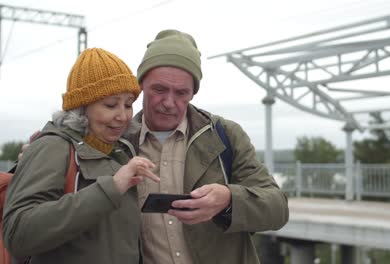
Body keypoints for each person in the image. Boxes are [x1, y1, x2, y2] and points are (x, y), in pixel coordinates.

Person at [128, 29, 289, 264]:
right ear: (141, 84)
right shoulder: (119, 145)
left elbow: (277, 209)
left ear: (193, 93)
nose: (169, 102)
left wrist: (228, 200)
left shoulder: (225, 135)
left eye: (181, 92)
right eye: (159, 89)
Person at [2, 48, 159, 264]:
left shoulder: (121, 151)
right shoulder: (53, 147)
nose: (122, 116)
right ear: (81, 107)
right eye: (110, 105)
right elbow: (18, 234)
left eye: (129, 104)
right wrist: (111, 187)